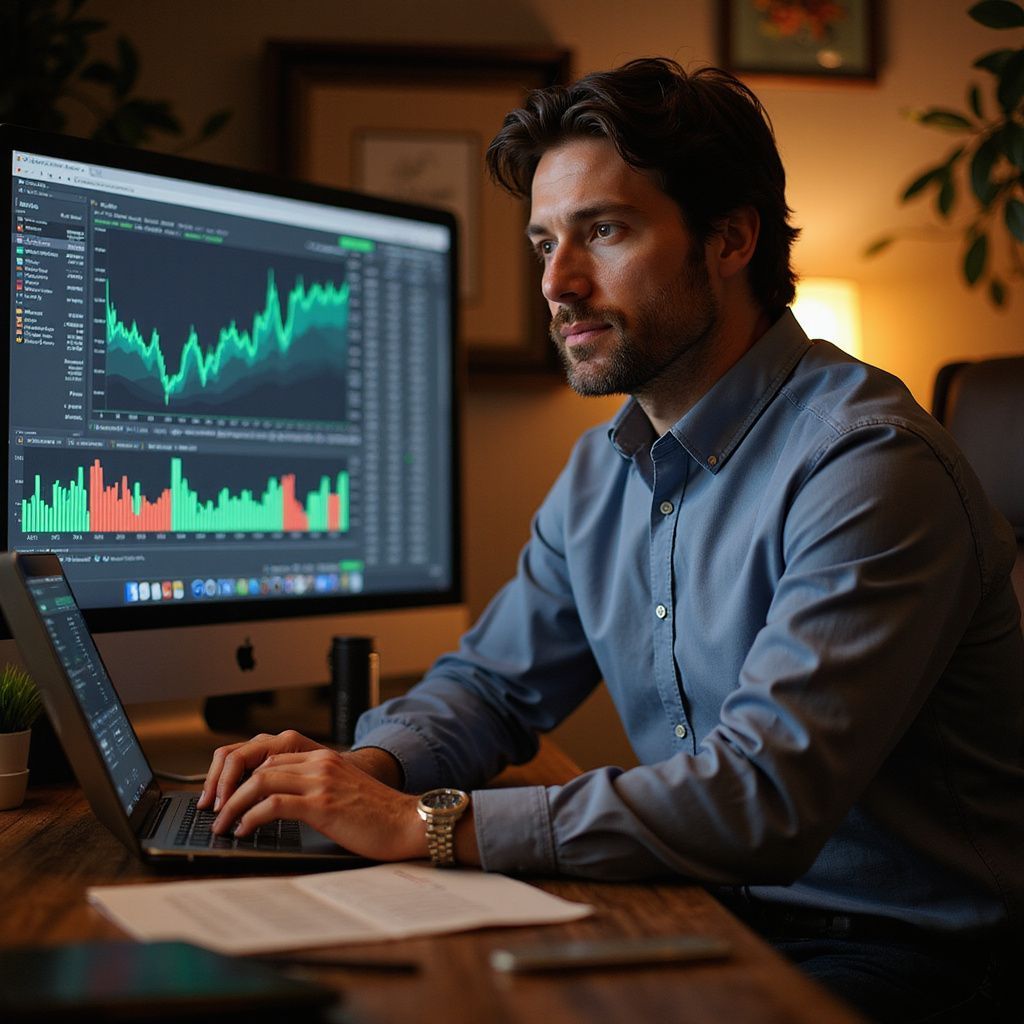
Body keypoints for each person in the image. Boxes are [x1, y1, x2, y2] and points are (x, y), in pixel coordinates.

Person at [199, 59, 1023, 1022]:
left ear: (730, 238)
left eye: (604, 231)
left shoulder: (868, 465)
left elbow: (761, 799)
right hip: (707, 913)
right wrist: (370, 771)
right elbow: (491, 686)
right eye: (544, 240)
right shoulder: (604, 471)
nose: (558, 283)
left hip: (913, 963)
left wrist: (424, 823)